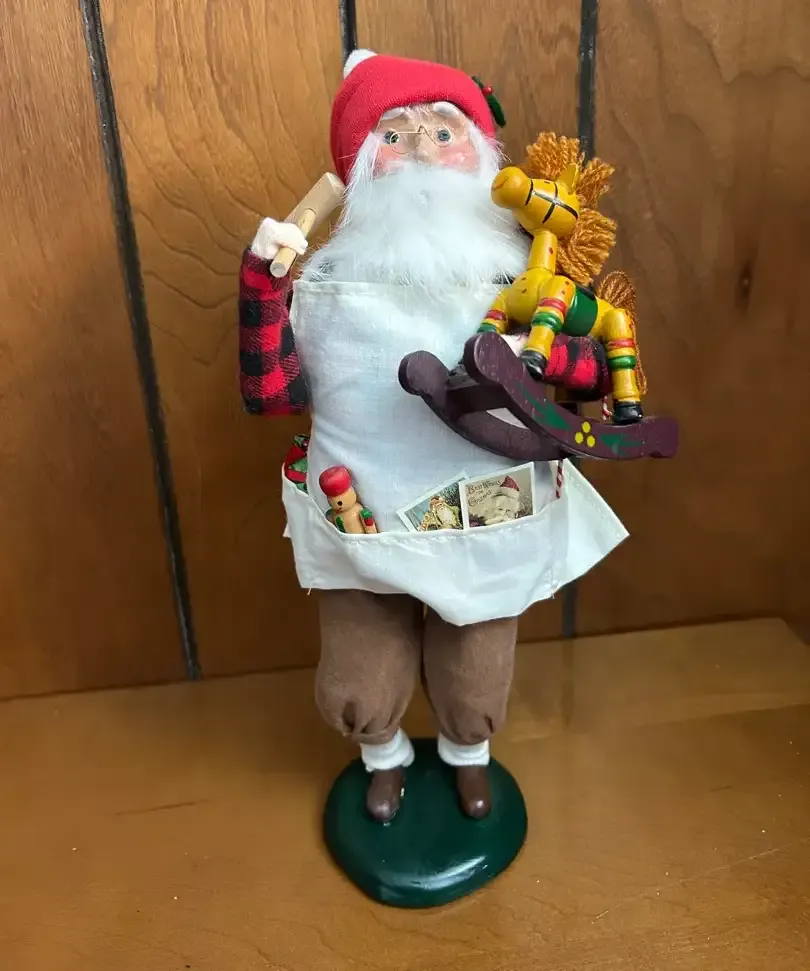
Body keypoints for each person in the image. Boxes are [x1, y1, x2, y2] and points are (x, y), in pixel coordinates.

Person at [238, 50, 627, 822]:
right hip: (363, 524)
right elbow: (271, 394)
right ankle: (381, 755)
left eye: (443, 131)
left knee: (477, 672)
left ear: (482, 157)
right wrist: (262, 289)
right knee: (359, 675)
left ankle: (467, 752)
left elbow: (589, 375)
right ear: (359, 168)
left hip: (491, 520)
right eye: (393, 134)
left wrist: (553, 364)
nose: (419, 147)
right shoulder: (321, 287)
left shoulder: (528, 280)